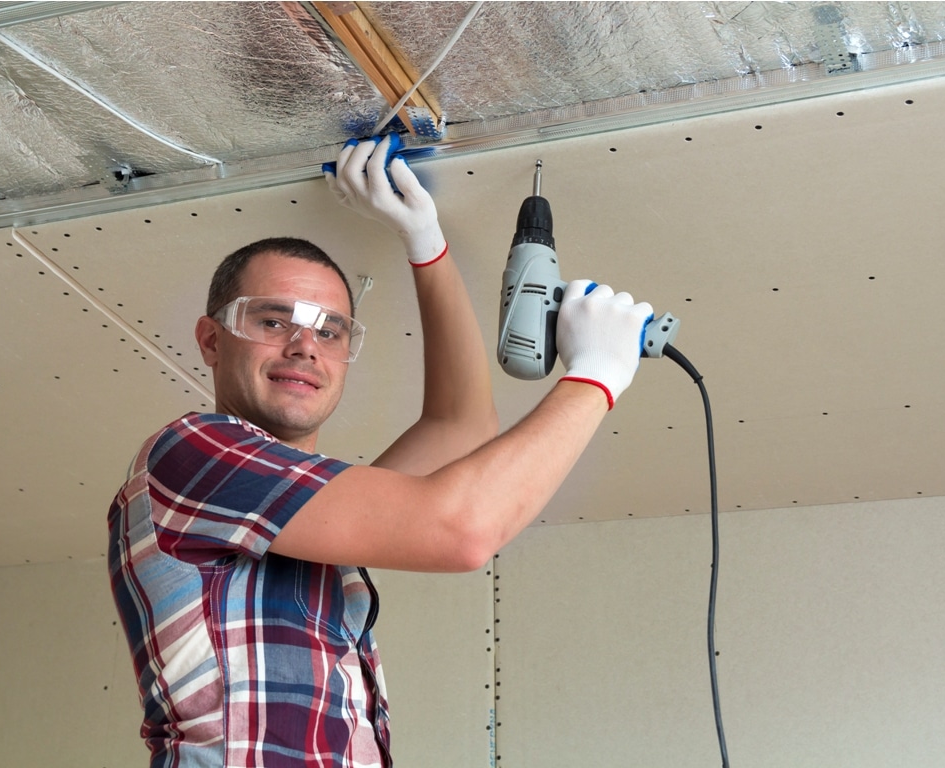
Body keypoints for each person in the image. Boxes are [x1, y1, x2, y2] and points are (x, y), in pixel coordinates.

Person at [108, 135, 654, 767]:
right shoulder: (192, 454)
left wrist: (427, 243)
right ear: (211, 339)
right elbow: (462, 530)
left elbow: (462, 424)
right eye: (273, 320)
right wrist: (596, 378)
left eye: (330, 330)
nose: (305, 347)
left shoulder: (301, 514)